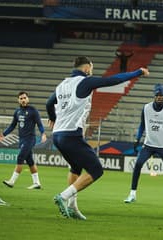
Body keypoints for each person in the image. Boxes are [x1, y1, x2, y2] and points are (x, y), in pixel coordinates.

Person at [46, 56, 149, 220]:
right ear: (86, 68)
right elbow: (113, 80)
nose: (91, 71)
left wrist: (53, 117)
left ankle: (73, 207)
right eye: (91, 68)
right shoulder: (84, 81)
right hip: (71, 135)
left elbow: (49, 103)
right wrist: (137, 72)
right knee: (96, 170)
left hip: (58, 135)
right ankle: (63, 197)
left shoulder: (62, 85)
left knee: (75, 168)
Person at [124, 83, 163, 208]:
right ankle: (132, 194)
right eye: (157, 95)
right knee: (138, 164)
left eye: (161, 95)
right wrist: (137, 138)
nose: (159, 97)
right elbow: (142, 125)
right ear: (154, 95)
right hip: (149, 144)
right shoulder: (146, 108)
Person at [0, 91, 47, 190]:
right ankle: (37, 183)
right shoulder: (17, 112)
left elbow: (39, 124)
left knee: (20, 157)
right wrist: (3, 134)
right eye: (21, 98)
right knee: (30, 161)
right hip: (22, 140)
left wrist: (43, 134)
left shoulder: (33, 110)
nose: (23, 100)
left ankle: (12, 181)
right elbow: (12, 125)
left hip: (30, 139)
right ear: (18, 100)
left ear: (28, 99)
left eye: (24, 98)